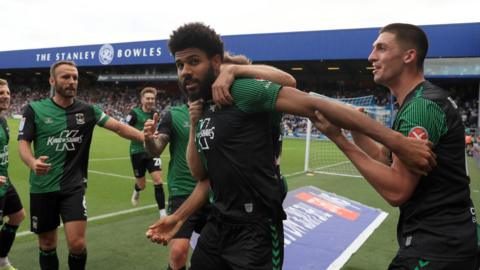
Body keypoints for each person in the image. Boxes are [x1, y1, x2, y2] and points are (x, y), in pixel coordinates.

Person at [146, 22, 436, 270]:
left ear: (217, 62)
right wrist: (177, 217)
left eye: (193, 62)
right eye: (179, 65)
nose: (184, 71)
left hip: (255, 231)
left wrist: (396, 140)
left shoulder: (241, 91)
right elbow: (205, 180)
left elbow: (314, 104)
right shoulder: (203, 109)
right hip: (218, 225)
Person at [311, 23, 477, 269]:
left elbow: (397, 191)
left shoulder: (422, 107)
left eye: (381, 48)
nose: (371, 57)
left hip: (437, 247)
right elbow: (384, 159)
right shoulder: (417, 102)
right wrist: (355, 129)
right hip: (449, 240)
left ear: (409, 56)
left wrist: (339, 139)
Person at [144, 51, 296, 270]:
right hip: (209, 201)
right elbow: (200, 175)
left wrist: (235, 70)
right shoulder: (201, 113)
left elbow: (288, 80)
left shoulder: (251, 105)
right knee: (186, 255)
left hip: (251, 207)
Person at [17, 61, 144, 270]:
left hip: (73, 186)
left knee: (77, 244)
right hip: (42, 187)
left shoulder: (88, 110)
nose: (72, 81)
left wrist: (147, 138)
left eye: (75, 77)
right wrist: (32, 162)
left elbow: (120, 128)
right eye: (66, 77)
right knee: (47, 244)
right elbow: (23, 144)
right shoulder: (34, 109)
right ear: (52, 80)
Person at [126, 87, 166, 216]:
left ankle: (162, 213)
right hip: (136, 151)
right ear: (142, 99)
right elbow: (125, 130)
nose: (150, 101)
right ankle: (137, 190)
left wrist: (156, 135)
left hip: (152, 150)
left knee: (158, 180)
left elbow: (156, 130)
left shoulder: (155, 113)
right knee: (142, 185)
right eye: (148, 98)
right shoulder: (134, 113)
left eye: (152, 98)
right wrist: (141, 135)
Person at [0, 79, 25, 270]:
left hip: (4, 181)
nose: (5, 96)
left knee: (17, 215)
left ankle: (2, 258)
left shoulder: (2, 120)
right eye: (1, 93)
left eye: (7, 93)